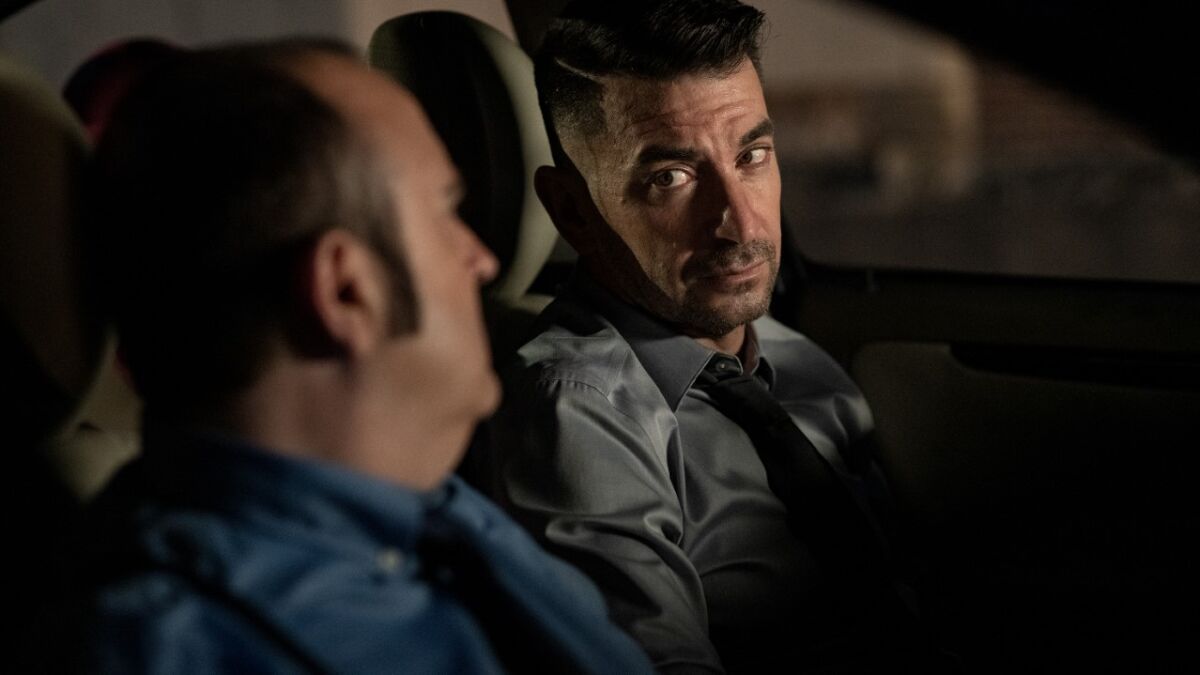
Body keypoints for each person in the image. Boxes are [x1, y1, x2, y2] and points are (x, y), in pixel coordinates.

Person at [68, 40, 654, 674]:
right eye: (445, 212)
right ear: (346, 291)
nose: (482, 260)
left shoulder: (433, 509)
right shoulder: (172, 649)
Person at [482, 1, 948, 672]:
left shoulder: (786, 354)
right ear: (572, 211)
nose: (741, 223)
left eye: (751, 155)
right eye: (671, 177)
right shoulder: (579, 411)